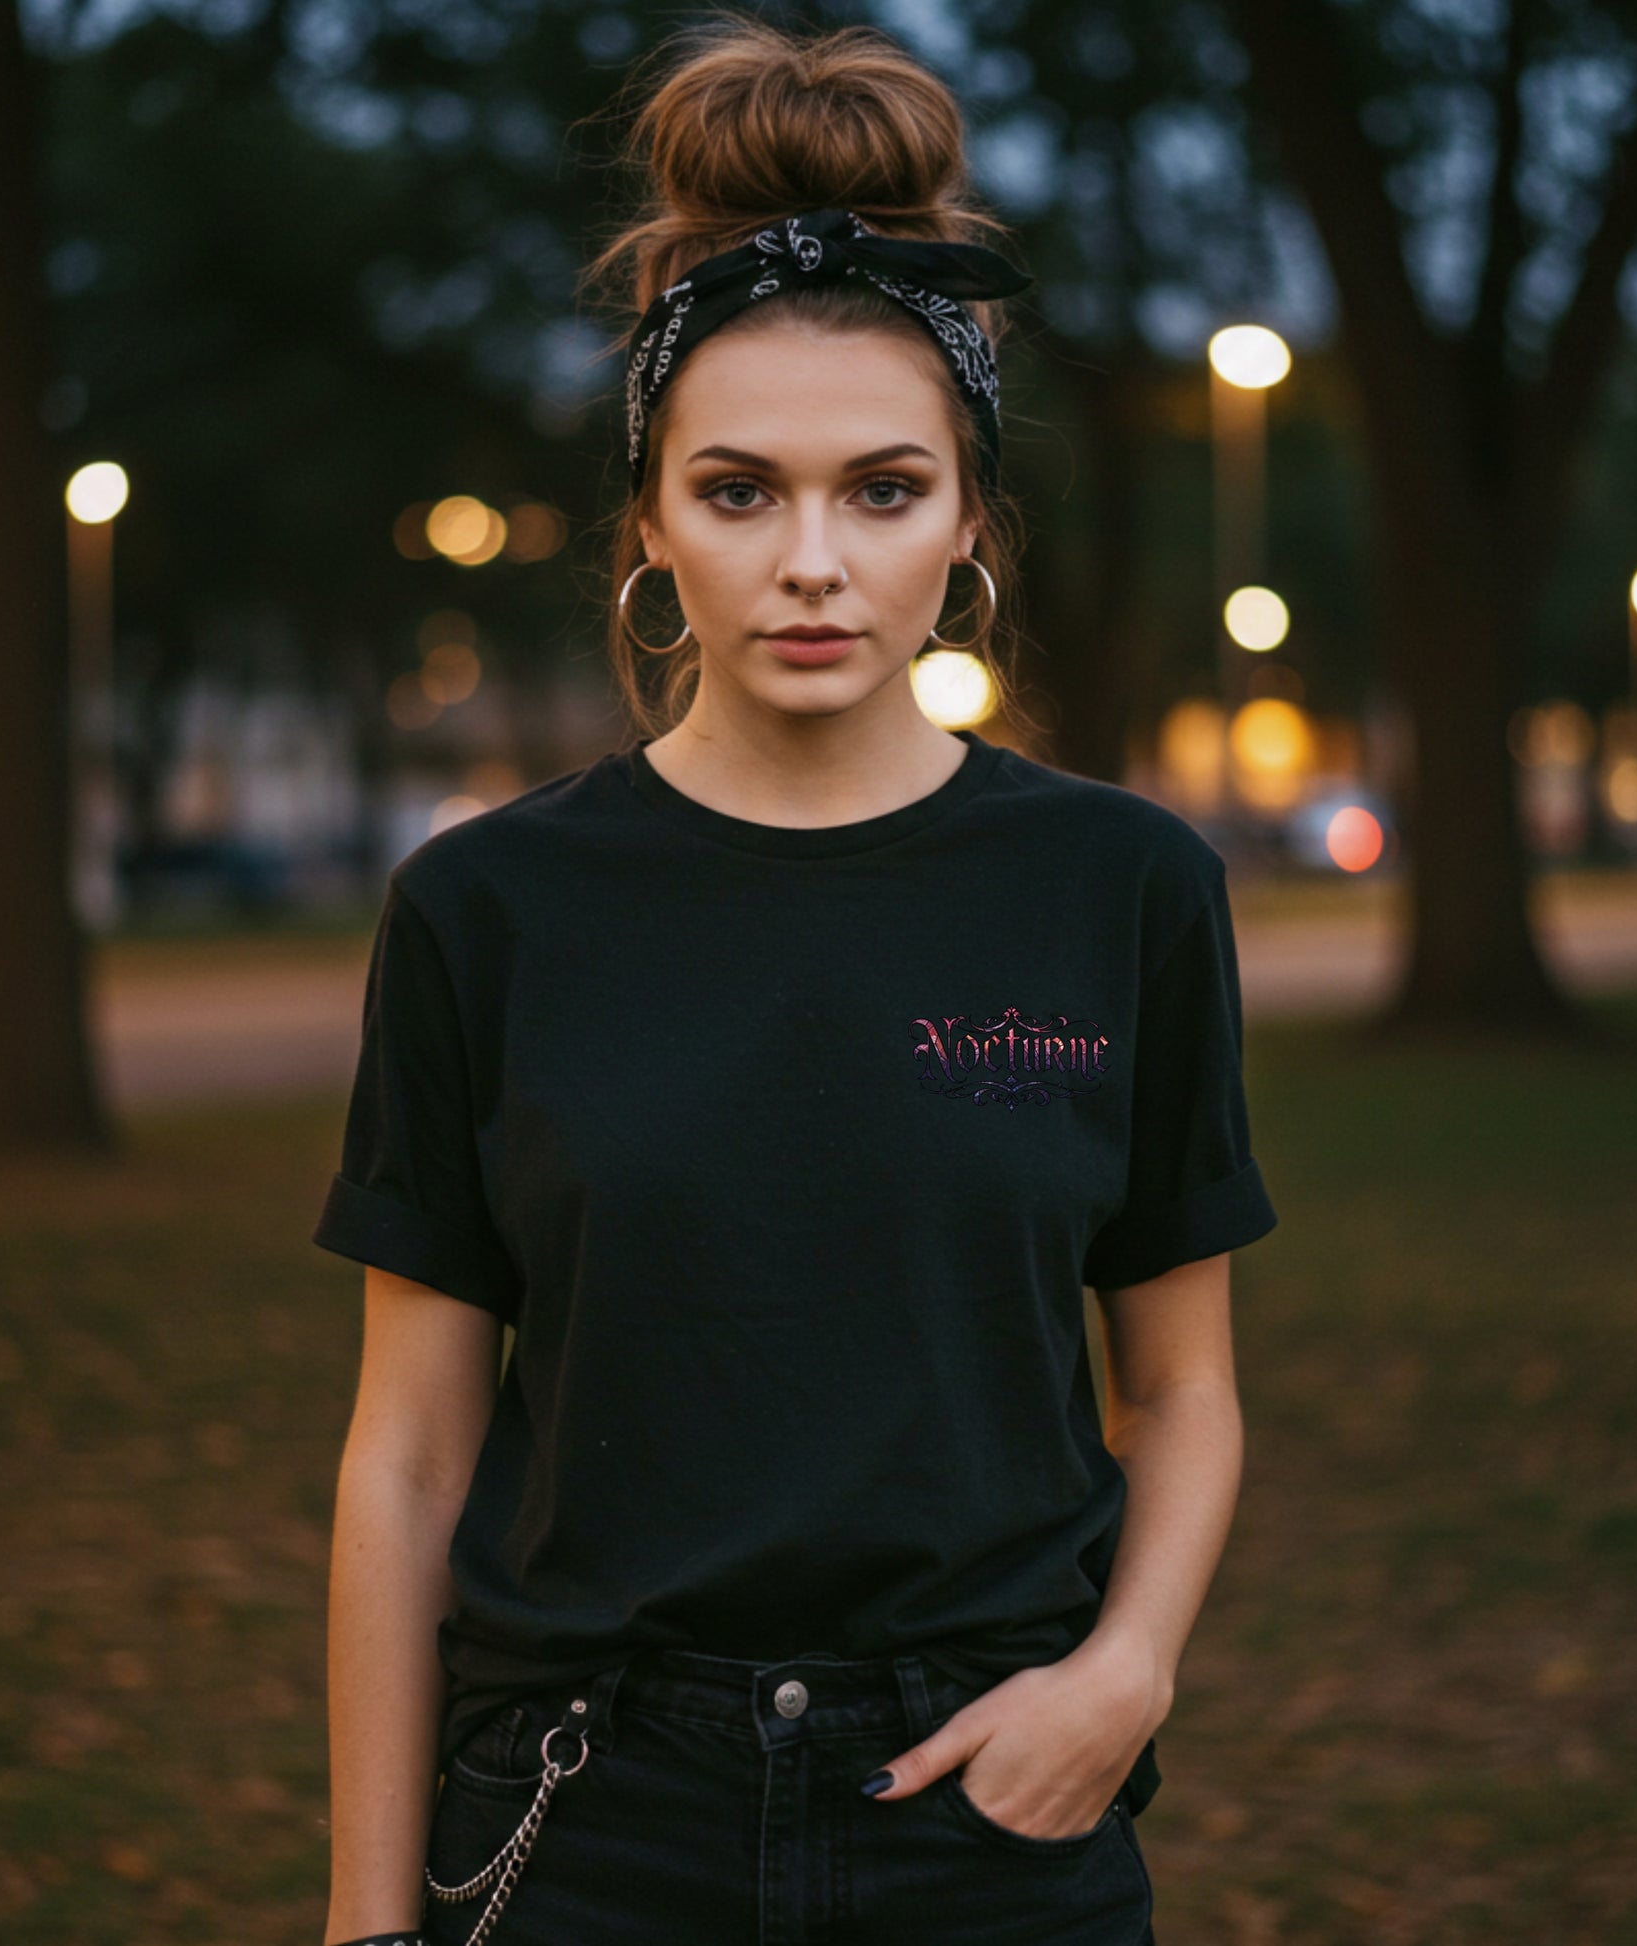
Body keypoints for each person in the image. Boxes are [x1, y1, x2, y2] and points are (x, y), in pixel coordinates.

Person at [313, 18, 1277, 1946]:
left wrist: (1127, 1672)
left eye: (884, 490)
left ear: (970, 521)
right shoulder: (484, 907)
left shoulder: (1122, 886)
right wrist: (364, 1919)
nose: (812, 562)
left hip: (989, 1811)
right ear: (652, 523)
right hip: (586, 1816)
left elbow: (1177, 1389)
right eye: (741, 491)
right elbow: (408, 1451)